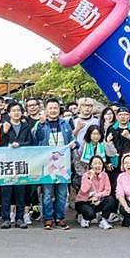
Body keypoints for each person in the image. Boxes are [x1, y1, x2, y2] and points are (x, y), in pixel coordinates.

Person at [33, 98, 77, 230]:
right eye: (50, 108)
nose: (53, 110)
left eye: (55, 108)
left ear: (59, 109)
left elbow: (73, 140)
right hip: (47, 164)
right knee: (47, 193)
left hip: (63, 164)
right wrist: (40, 125)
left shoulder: (65, 124)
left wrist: (74, 144)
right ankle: (48, 219)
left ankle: (60, 218)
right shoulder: (41, 124)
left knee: (62, 193)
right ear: (46, 110)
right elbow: (36, 140)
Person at [0, 101, 33, 229]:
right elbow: (1, 144)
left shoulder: (26, 127)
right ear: (8, 113)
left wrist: (20, 145)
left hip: (22, 163)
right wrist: (5, 132)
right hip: (7, 163)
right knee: (6, 193)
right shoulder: (5, 126)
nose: (16, 113)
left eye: (18, 110)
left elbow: (31, 143)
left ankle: (19, 218)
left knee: (21, 193)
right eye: (13, 111)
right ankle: (6, 219)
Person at [75, 155, 116, 230]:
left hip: (98, 200)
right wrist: (90, 178)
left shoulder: (104, 175)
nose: (98, 166)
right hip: (84, 201)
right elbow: (84, 190)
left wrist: (97, 196)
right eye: (95, 163)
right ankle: (84, 217)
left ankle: (103, 220)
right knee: (90, 214)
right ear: (91, 165)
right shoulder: (86, 175)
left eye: (100, 163)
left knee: (110, 199)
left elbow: (108, 191)